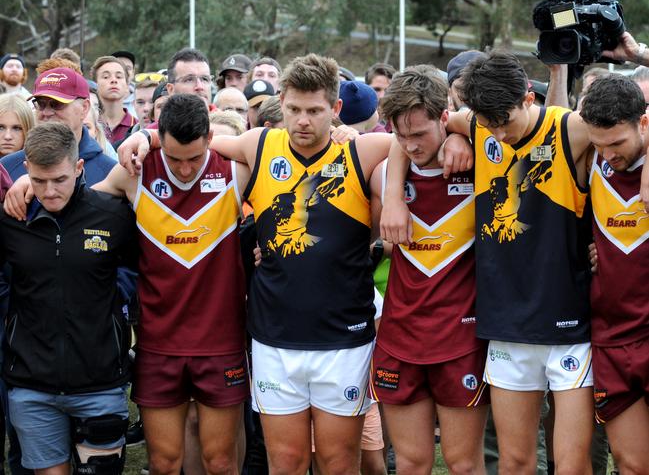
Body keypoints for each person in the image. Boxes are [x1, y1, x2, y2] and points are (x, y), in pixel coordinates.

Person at [118, 53, 395, 475]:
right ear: (281, 102)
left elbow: (419, 143)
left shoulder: (365, 149)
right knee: (285, 462)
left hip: (344, 337)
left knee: (339, 464)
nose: (303, 120)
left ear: (336, 109)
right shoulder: (259, 144)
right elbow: (196, 137)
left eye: (316, 111)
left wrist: (447, 140)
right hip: (273, 339)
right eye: (295, 109)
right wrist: (143, 137)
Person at [381, 50, 596, 475]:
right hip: (504, 326)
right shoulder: (478, 129)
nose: (498, 134)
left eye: (505, 122)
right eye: (487, 124)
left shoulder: (567, 128)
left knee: (571, 464)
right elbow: (408, 133)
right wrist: (393, 194)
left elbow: (629, 128)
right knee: (515, 462)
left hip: (568, 321)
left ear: (529, 100)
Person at [100, 94, 250, 475]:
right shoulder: (137, 170)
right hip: (158, 343)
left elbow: (280, 144)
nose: (184, 170)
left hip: (220, 343)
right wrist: (27, 187)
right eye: (174, 158)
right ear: (159, 139)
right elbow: (76, 204)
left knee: (220, 463)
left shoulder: (235, 169)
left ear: (211, 138)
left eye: (194, 158)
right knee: (164, 464)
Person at [369, 65, 489, 475]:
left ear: (443, 117)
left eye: (418, 134)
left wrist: (460, 132)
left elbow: (516, 123)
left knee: (462, 463)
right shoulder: (383, 170)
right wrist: (392, 194)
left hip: (461, 338)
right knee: (412, 462)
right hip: (400, 335)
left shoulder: (481, 162)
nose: (409, 144)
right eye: (400, 135)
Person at [0, 122, 137, 475]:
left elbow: (143, 271)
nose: (50, 191)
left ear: (79, 169)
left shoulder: (112, 215)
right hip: (32, 384)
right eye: (40, 180)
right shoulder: (11, 218)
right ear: (26, 168)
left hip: (100, 381)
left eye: (60, 179)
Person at [579, 74, 649, 475]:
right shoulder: (593, 158)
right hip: (612, 335)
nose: (608, 154)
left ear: (643, 123)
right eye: (599, 144)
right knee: (632, 464)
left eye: (617, 144)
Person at [91, 56, 137, 145]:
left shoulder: (137, 127)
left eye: (119, 77)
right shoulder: (88, 125)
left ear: (127, 85)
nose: (113, 80)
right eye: (106, 77)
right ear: (95, 84)